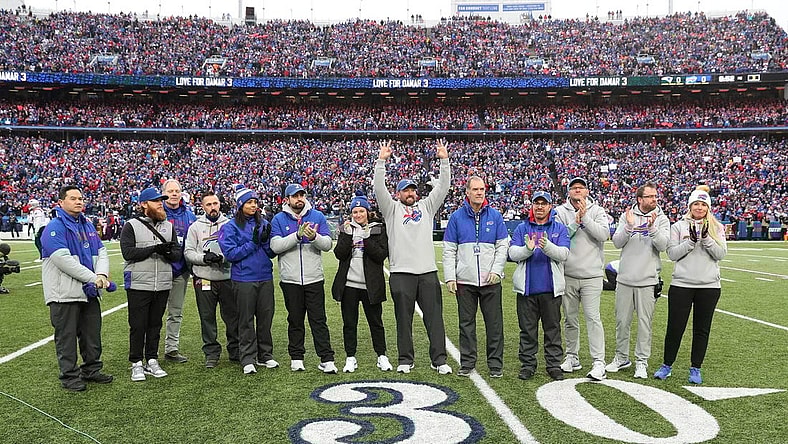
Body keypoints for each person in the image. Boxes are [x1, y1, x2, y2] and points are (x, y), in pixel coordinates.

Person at [373, 139, 452, 375]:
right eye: (405, 190)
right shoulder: (391, 209)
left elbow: (443, 188)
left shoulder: (426, 207)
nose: (410, 193)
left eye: (412, 190)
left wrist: (444, 160)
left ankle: (439, 359)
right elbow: (379, 189)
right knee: (403, 320)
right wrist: (381, 161)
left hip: (427, 272)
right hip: (401, 274)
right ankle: (405, 359)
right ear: (398, 193)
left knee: (434, 319)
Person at [41, 185, 112, 391]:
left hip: (88, 292)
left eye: (81, 198)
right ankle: (70, 376)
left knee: (92, 334)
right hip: (64, 294)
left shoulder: (87, 225)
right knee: (67, 337)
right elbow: (63, 260)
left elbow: (102, 252)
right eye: (73, 198)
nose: (79, 201)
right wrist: (94, 278)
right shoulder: (54, 227)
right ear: (61, 202)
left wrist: (102, 275)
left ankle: (91, 369)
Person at [655, 185, 727, 384]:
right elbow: (672, 254)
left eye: (703, 204)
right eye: (696, 203)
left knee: (702, 329)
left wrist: (706, 240)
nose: (699, 207)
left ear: (708, 207)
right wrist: (690, 243)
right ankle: (667, 365)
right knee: (675, 327)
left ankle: (696, 368)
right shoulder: (678, 226)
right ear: (690, 205)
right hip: (682, 284)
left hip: (709, 286)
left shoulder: (716, 227)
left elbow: (721, 254)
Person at [443, 176, 509, 378]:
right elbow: (449, 249)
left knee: (494, 324)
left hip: (490, 281)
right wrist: (450, 277)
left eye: (482, 189)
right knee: (466, 324)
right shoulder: (456, 217)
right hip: (465, 281)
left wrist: (497, 271)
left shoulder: (496, 216)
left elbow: (503, 245)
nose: (480, 192)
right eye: (475, 189)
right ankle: (467, 362)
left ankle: (495, 365)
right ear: (467, 193)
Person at [270, 184, 337, 374]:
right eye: (295, 196)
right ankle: (296, 357)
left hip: (314, 278)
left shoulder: (317, 216)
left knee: (319, 320)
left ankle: (327, 358)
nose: (299, 199)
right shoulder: (278, 219)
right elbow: (275, 246)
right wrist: (297, 236)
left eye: (301, 195)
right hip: (290, 279)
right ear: (287, 199)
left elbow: (327, 245)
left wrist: (314, 236)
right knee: (295, 320)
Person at [608, 183, 670, 379]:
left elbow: (663, 245)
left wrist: (652, 228)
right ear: (640, 199)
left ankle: (641, 362)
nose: (654, 199)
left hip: (647, 279)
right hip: (625, 278)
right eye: (650, 196)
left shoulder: (661, 218)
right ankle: (621, 357)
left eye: (655, 196)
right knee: (622, 322)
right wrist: (628, 226)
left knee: (644, 324)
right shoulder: (627, 216)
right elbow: (617, 242)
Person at [120, 187, 181, 382]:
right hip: (139, 283)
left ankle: (152, 359)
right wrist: (156, 248)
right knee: (138, 325)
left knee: (155, 324)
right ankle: (136, 362)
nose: (160, 204)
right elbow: (128, 253)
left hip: (162, 282)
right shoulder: (131, 225)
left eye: (161, 201)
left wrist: (169, 252)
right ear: (144, 204)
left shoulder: (168, 226)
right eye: (156, 201)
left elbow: (177, 253)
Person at [508, 191, 570, 381]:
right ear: (532, 206)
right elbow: (512, 253)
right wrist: (528, 249)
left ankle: (553, 364)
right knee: (527, 330)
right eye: (537, 203)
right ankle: (528, 364)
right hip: (527, 289)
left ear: (550, 206)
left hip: (551, 289)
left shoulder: (560, 228)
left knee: (552, 329)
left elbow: (564, 254)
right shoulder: (522, 228)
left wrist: (546, 246)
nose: (540, 206)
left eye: (544, 203)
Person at [217, 185, 278, 375]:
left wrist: (268, 242)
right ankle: (247, 357)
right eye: (249, 202)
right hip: (243, 278)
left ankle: (265, 354)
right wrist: (253, 243)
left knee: (265, 318)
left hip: (265, 276)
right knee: (245, 320)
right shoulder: (230, 227)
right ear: (240, 205)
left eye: (255, 202)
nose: (253, 206)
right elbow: (231, 254)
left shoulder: (265, 224)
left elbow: (270, 252)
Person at [554, 177, 610, 381]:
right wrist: (575, 220)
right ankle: (572, 357)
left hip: (592, 275)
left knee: (593, 318)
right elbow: (558, 236)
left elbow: (603, 235)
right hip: (568, 273)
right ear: (568, 192)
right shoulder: (560, 212)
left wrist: (585, 218)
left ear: (587, 191)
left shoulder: (597, 210)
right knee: (570, 319)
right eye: (574, 188)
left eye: (581, 187)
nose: (577, 190)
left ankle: (599, 362)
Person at [331, 191, 392, 373]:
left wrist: (366, 238)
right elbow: (339, 254)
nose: (358, 215)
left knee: (376, 323)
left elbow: (381, 255)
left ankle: (381, 355)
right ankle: (351, 357)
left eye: (361, 211)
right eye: (355, 212)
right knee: (349, 323)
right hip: (349, 285)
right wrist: (349, 235)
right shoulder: (345, 229)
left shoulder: (378, 228)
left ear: (367, 212)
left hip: (371, 286)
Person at [184, 191, 239, 369]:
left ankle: (235, 349)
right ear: (202, 207)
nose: (213, 207)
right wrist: (204, 258)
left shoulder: (231, 224)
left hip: (227, 277)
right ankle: (211, 353)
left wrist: (223, 258)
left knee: (232, 317)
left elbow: (238, 248)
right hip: (204, 278)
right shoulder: (195, 227)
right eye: (208, 204)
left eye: (215, 203)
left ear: (220, 204)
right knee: (207, 317)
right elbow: (188, 252)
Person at [162, 178, 197, 364]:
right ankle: (148, 351)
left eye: (177, 191)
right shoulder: (157, 212)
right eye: (171, 191)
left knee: (175, 312)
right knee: (153, 314)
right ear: (164, 193)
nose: (174, 194)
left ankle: (171, 349)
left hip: (181, 269)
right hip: (159, 268)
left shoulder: (189, 215)